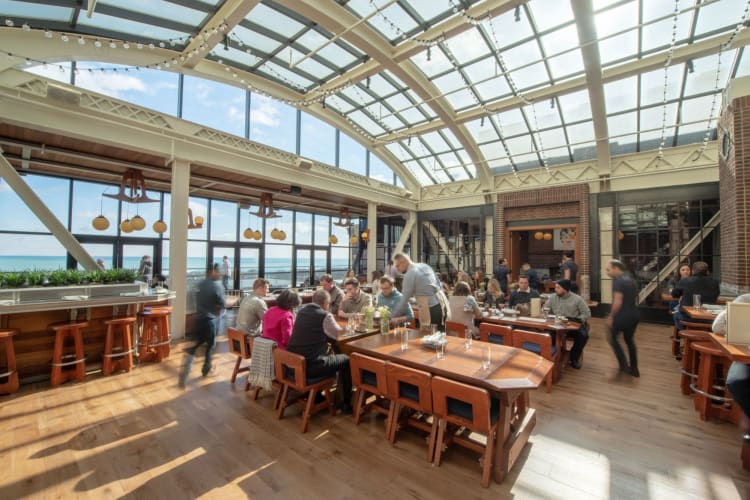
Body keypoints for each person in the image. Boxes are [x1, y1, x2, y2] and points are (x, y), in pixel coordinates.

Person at [287, 289, 353, 414]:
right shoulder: (324, 315)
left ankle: (317, 395)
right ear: (325, 304)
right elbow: (338, 334)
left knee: (329, 353)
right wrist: (350, 329)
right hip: (310, 367)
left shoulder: (301, 312)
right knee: (346, 360)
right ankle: (346, 403)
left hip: (293, 365)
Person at [179, 267, 226, 387]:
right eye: (218, 272)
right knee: (210, 345)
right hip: (210, 320)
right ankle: (206, 369)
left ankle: (186, 369)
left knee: (195, 345)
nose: (220, 274)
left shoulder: (200, 283)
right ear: (212, 272)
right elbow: (221, 303)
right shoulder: (217, 286)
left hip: (198, 318)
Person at [712, 294, 750, 442]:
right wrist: (735, 306)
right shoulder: (745, 300)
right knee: (736, 381)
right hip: (746, 358)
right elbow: (718, 327)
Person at [392, 253, 449, 331]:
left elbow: (404, 300)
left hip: (429, 310)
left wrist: (392, 317)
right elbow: (438, 284)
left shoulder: (409, 274)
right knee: (441, 337)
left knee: (428, 338)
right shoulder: (424, 266)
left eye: (397, 266)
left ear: (404, 262)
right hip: (442, 305)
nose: (397, 269)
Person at [546, 279, 591, 369]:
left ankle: (574, 357)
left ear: (565, 289)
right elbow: (545, 309)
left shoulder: (577, 299)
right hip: (556, 324)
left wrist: (578, 320)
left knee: (583, 335)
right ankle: (552, 356)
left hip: (572, 324)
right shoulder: (552, 297)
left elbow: (587, 313)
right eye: (555, 287)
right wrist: (546, 313)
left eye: (558, 288)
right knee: (547, 335)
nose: (555, 289)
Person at [605, 260, 640, 377]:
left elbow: (617, 302)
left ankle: (623, 365)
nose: (607, 273)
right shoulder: (631, 279)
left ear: (616, 268)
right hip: (633, 314)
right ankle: (634, 368)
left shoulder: (618, 282)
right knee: (629, 340)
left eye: (608, 270)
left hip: (622, 315)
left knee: (612, 339)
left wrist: (611, 316)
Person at [671, 261, 721, 330]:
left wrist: (684, 294)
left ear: (693, 271)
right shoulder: (715, 282)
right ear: (707, 272)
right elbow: (716, 294)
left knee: (676, 315)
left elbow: (674, 294)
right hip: (708, 319)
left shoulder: (685, 281)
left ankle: (684, 334)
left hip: (688, 318)